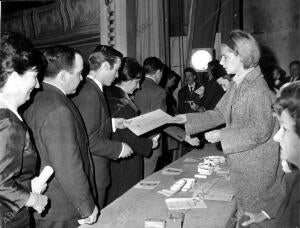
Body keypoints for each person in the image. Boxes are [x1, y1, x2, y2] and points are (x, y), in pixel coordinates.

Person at [175, 29, 281, 227]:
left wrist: (222, 134)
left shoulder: (257, 89)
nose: (221, 63)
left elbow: (260, 131)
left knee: (252, 220)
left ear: (241, 56)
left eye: (225, 57)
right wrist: (185, 119)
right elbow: (219, 113)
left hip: (256, 171)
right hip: (245, 165)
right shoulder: (237, 84)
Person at [24, 45, 98, 227]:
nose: (82, 79)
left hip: (46, 205)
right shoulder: (58, 108)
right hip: (62, 208)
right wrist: (86, 206)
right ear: (64, 76)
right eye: (79, 73)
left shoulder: (36, 97)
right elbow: (68, 166)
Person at [72, 45, 133, 209]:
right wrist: (119, 148)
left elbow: (84, 126)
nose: (118, 75)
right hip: (94, 173)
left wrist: (113, 123)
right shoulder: (90, 94)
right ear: (106, 66)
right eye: (117, 69)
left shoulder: (90, 89)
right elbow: (87, 139)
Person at [0, 31, 48, 228]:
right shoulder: (7, 122)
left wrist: (28, 186)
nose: (37, 85)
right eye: (34, 76)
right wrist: (33, 199)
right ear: (14, 76)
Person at [242, 82, 300, 227]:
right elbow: (287, 191)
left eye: (285, 128)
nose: (277, 137)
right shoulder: (294, 176)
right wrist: (264, 214)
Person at [105, 57, 158, 203]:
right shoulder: (121, 103)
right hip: (125, 164)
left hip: (113, 160)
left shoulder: (108, 96)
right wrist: (150, 144)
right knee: (126, 200)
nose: (138, 86)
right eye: (136, 81)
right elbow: (130, 138)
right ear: (127, 80)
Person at [134, 57, 167, 177]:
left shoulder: (134, 86)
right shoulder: (159, 91)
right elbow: (161, 121)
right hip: (151, 144)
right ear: (158, 72)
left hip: (132, 142)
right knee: (145, 180)